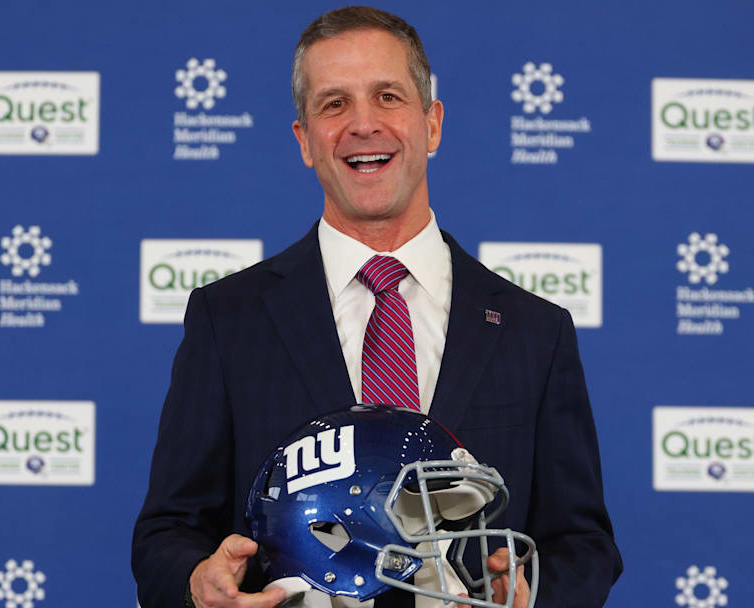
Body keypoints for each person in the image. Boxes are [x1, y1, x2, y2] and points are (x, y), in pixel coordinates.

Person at [132, 7, 622, 608]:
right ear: (304, 140)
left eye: (387, 96)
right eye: (334, 104)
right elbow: (166, 534)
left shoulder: (535, 331)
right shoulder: (227, 319)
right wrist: (195, 583)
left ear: (432, 124)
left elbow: (583, 543)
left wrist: (530, 596)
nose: (363, 124)